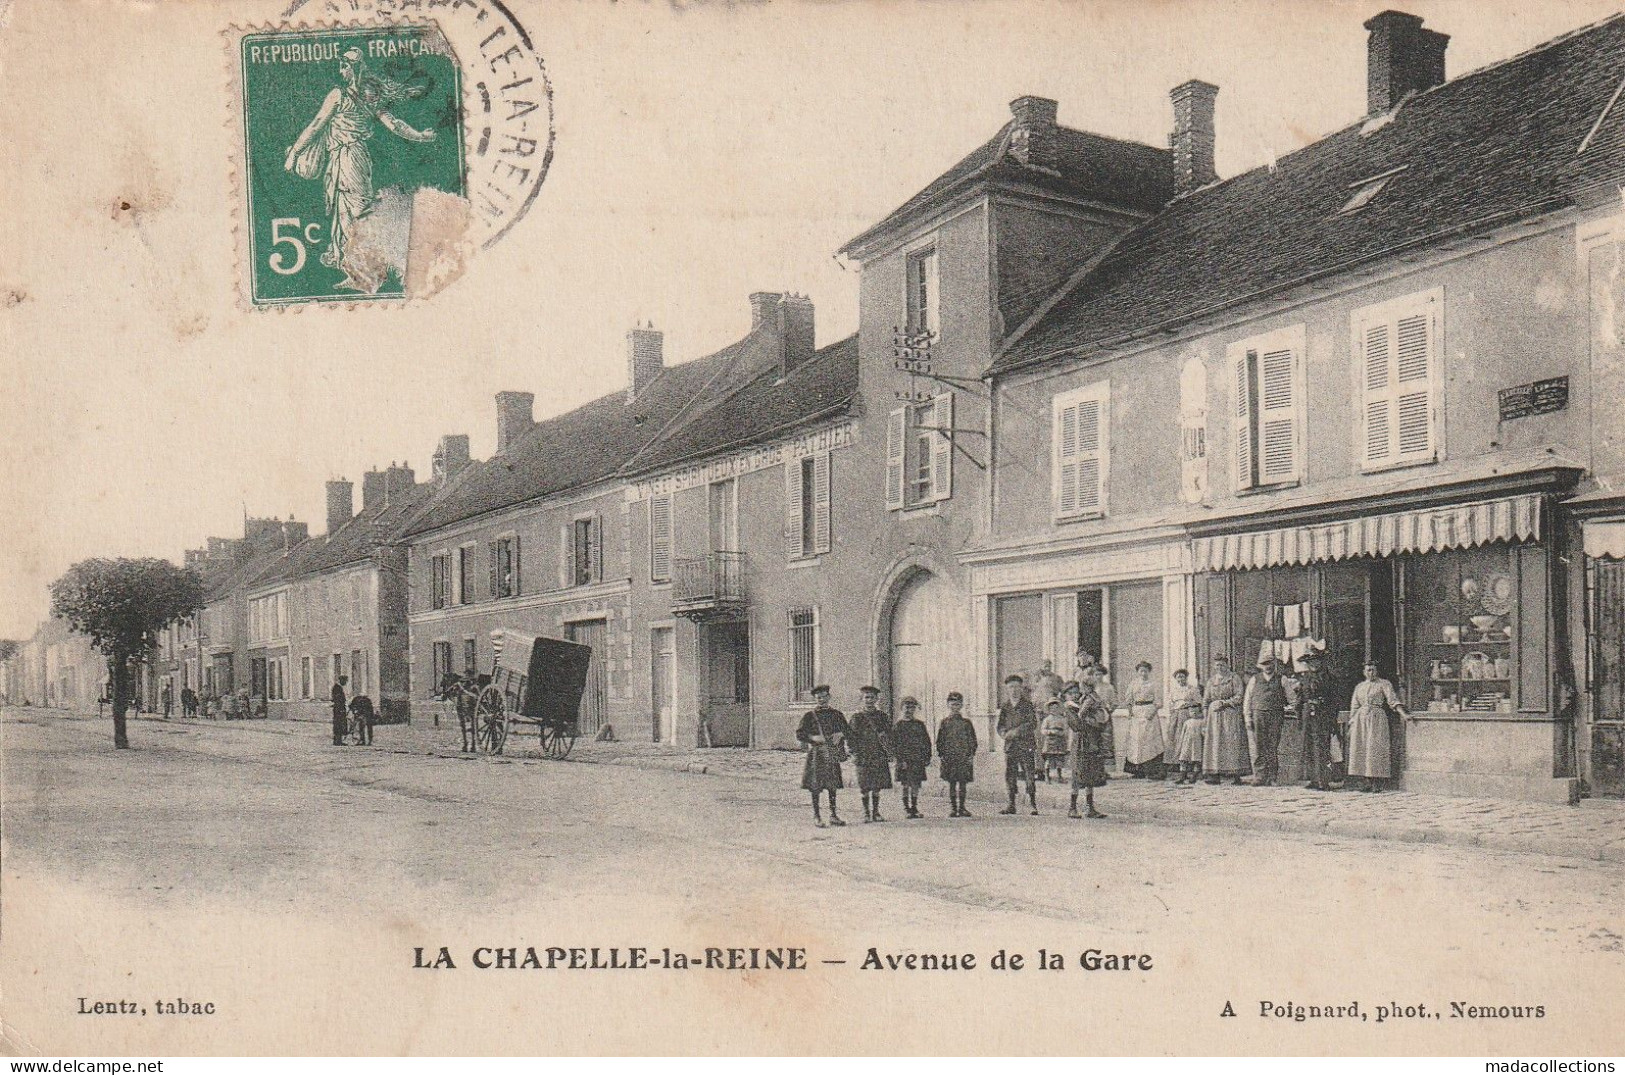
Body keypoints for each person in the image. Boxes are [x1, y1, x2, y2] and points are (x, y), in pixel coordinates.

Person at [283, 47, 439, 292]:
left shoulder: (338, 94)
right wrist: (420, 136)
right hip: (357, 158)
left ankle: (366, 274)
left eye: (344, 66)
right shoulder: (369, 96)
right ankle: (356, 268)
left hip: (347, 158)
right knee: (348, 211)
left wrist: (294, 153)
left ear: (351, 68)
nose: (340, 70)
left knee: (353, 212)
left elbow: (315, 125)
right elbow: (394, 125)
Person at [1348, 662, 1407, 792]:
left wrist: (1404, 715)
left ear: (1377, 671)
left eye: (1373, 670)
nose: (1371, 673)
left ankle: (1377, 782)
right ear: (1364, 672)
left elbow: (1392, 700)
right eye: (1368, 670)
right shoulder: (1360, 687)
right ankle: (1365, 781)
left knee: (1375, 748)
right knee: (1362, 748)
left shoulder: (1384, 684)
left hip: (1377, 718)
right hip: (1360, 719)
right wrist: (1351, 723)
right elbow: (1354, 705)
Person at [796, 685, 849, 827]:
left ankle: (833, 815)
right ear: (815, 699)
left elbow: (848, 730)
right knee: (816, 785)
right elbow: (800, 734)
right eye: (819, 697)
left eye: (824, 696)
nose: (822, 699)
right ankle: (817, 816)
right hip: (817, 755)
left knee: (832, 785)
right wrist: (813, 738)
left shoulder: (837, 714)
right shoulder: (809, 716)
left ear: (829, 697)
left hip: (832, 753)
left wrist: (841, 734)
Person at [1066, 674, 1111, 819]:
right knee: (1078, 773)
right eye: (1071, 693)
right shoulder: (1070, 708)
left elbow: (1099, 719)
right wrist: (1092, 721)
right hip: (1080, 742)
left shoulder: (1087, 700)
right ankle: (1072, 807)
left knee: (1090, 774)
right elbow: (1078, 723)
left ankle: (1090, 807)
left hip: (1092, 740)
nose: (1075, 694)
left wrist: (1094, 720)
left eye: (1076, 691)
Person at [848, 686, 894, 823]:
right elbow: (851, 737)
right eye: (866, 697)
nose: (869, 700)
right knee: (864, 785)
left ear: (876, 699)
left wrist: (889, 749)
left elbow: (890, 735)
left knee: (876, 785)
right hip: (863, 754)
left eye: (872, 697)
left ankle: (876, 812)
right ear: (862, 699)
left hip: (878, 754)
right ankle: (866, 813)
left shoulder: (882, 717)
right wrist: (853, 752)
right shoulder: (857, 718)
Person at [1201, 655, 1250, 784]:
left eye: (1222, 665)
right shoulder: (1211, 681)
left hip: (1230, 714)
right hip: (1214, 718)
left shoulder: (1234, 678)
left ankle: (1235, 774)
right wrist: (1205, 721)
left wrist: (1225, 702)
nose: (1219, 667)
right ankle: (1214, 774)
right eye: (1217, 665)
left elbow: (1240, 696)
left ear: (1227, 665)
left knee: (1231, 743)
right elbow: (1205, 701)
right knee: (1215, 744)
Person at [996, 675, 1039, 815]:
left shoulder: (1027, 705)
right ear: (1007, 689)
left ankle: (1033, 804)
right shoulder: (1005, 706)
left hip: (1026, 745)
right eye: (1011, 687)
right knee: (1010, 775)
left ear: (1021, 688)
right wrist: (1004, 734)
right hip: (1010, 746)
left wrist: (1017, 731)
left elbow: (1032, 723)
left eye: (1017, 687)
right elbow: (1000, 726)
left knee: (1029, 774)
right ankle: (1011, 804)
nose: (1014, 690)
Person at [1244, 655, 1289, 786]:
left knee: (1272, 746)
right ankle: (1259, 776)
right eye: (1264, 664)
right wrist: (1248, 718)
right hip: (1258, 715)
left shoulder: (1282, 679)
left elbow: (1291, 697)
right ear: (1260, 666)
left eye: (1270, 663)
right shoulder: (1254, 679)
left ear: (1274, 664)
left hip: (1276, 715)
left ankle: (1272, 777)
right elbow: (1247, 700)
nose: (1267, 666)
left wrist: (1292, 706)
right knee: (1259, 746)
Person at [1296, 649, 1336, 790]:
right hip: (1307, 713)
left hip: (1322, 713)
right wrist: (1299, 714)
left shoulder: (1328, 677)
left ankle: (1323, 780)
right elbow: (1300, 698)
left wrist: (1331, 718)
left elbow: (1334, 700)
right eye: (1310, 662)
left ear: (1320, 662)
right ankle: (1312, 778)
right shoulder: (1305, 678)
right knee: (1308, 746)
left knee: (1321, 747)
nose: (1313, 664)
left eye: (1316, 661)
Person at [936, 691, 978, 818]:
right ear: (948, 705)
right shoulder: (944, 723)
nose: (955, 707)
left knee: (963, 783)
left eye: (958, 704)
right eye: (953, 704)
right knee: (952, 783)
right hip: (950, 757)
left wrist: (971, 754)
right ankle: (954, 808)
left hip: (963, 757)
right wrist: (941, 754)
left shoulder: (966, 723)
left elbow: (972, 740)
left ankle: (962, 807)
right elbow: (940, 740)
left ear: (961, 706)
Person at [891, 697, 932, 819]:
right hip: (904, 760)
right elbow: (894, 745)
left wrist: (927, 756)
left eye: (912, 708)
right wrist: (899, 760)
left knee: (916, 784)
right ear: (901, 708)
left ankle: (914, 807)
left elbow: (926, 742)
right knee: (905, 784)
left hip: (917, 759)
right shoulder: (898, 726)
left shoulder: (919, 725)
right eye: (907, 707)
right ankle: (906, 808)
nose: (909, 710)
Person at [1123, 660, 1165, 779]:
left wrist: (1151, 713)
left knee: (1149, 741)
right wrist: (1131, 713)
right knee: (1136, 741)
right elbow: (1128, 700)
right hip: (1137, 712)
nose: (1143, 673)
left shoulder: (1153, 684)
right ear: (1138, 672)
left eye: (1145, 671)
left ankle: (1151, 770)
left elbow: (1159, 702)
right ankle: (1137, 770)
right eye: (1141, 671)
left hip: (1149, 712)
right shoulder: (1133, 684)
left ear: (1149, 671)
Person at [1170, 669, 1206, 784]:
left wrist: (1190, 706)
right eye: (1178, 677)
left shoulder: (1192, 690)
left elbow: (1199, 702)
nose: (1181, 679)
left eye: (1183, 677)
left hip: (1188, 715)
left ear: (1186, 678)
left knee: (1191, 742)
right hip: (1176, 715)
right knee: (1180, 741)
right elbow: (1171, 703)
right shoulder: (1174, 690)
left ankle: (1194, 771)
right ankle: (1181, 770)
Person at [1040, 699, 1070, 783]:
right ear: (1049, 709)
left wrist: (1061, 733)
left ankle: (1059, 777)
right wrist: (1050, 732)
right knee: (1048, 760)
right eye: (1052, 708)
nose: (1054, 710)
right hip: (1050, 741)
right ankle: (1047, 777)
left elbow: (1065, 730)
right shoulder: (1047, 719)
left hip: (1059, 741)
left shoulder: (1062, 719)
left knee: (1059, 760)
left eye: (1056, 708)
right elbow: (1042, 730)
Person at [331, 674, 349, 747]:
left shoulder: (337, 687)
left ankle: (338, 740)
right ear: (341, 680)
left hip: (339, 708)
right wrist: (340, 709)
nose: (345, 683)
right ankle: (338, 741)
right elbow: (338, 699)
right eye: (345, 681)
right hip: (339, 709)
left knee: (339, 724)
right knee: (339, 724)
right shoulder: (337, 688)